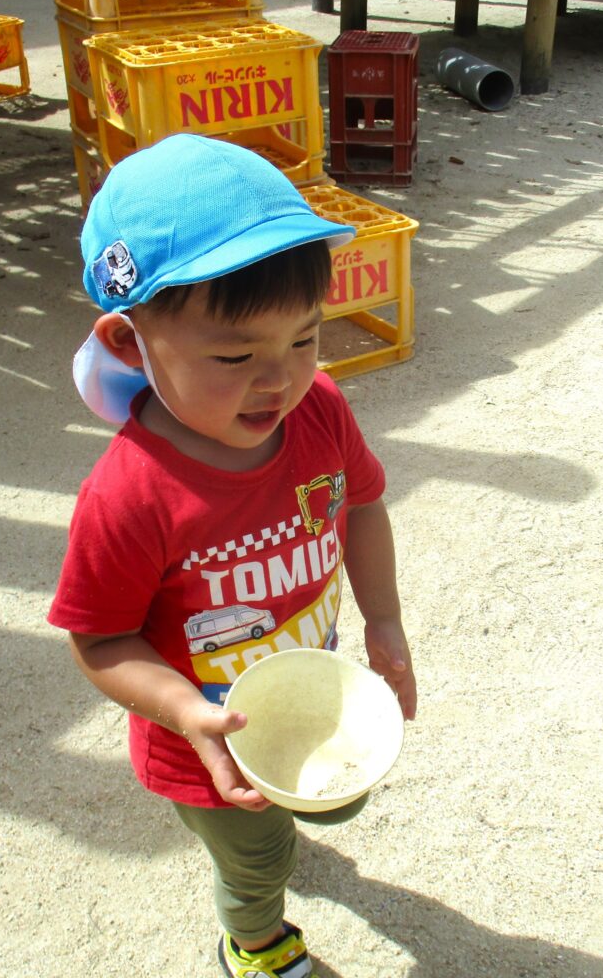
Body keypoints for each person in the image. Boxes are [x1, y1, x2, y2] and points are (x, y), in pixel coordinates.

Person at [48, 133, 417, 978]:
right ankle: (254, 943)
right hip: (204, 740)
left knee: (325, 807)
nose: (278, 379)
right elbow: (100, 639)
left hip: (305, 683)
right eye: (235, 355)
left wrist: (384, 618)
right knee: (256, 861)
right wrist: (184, 711)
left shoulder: (319, 411)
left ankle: (280, 843)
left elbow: (360, 506)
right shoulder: (129, 495)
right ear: (131, 340)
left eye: (304, 338)